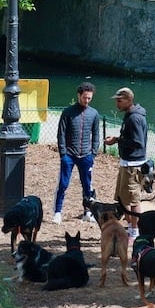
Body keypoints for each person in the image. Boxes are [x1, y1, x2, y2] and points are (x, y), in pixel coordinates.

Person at [103, 87, 148, 242]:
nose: (117, 103)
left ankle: (135, 232)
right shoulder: (129, 115)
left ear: (129, 100)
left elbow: (138, 142)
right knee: (123, 199)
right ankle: (130, 228)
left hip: (133, 166)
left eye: (119, 100)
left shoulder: (134, 118)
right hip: (127, 162)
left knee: (133, 200)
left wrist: (117, 140)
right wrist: (118, 139)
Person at [53, 82, 101, 224]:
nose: (86, 100)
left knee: (87, 185)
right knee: (63, 184)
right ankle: (57, 212)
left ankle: (87, 212)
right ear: (79, 95)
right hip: (69, 155)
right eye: (85, 97)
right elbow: (60, 134)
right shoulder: (68, 112)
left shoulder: (94, 114)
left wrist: (93, 153)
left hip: (86, 155)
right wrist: (63, 153)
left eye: (89, 98)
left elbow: (96, 135)